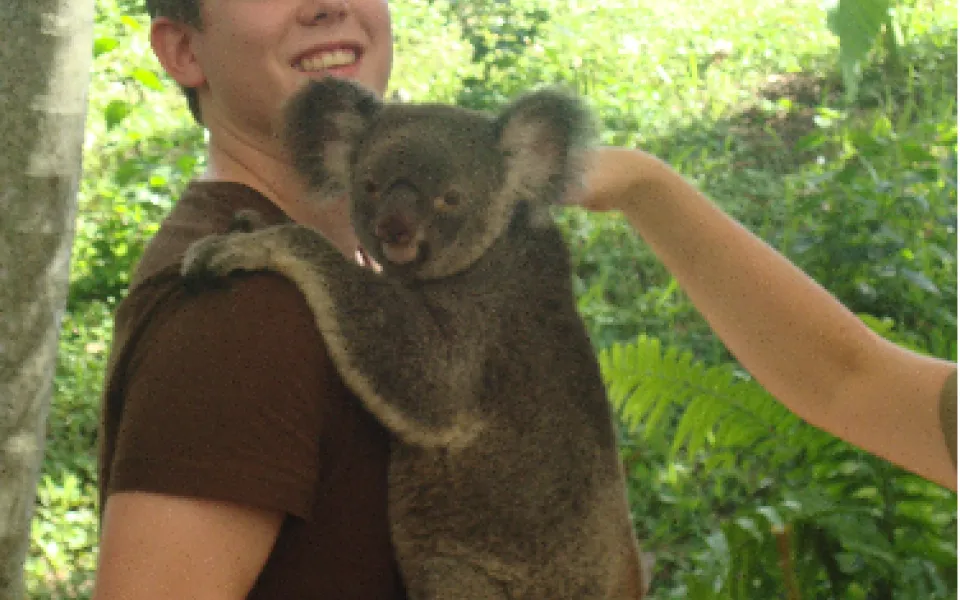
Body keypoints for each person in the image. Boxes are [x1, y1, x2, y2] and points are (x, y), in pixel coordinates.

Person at [93, 1, 956, 598]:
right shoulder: (240, 298)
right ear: (182, 49)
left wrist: (640, 184)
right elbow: (850, 383)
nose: (329, 7)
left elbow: (856, 385)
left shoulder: (396, 267)